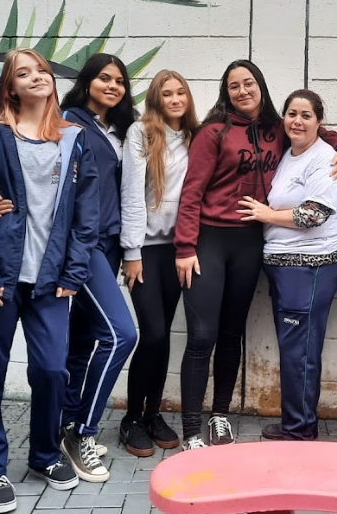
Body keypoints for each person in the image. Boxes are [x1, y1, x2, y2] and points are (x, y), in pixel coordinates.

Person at [173, 60, 337, 450]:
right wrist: (185, 246)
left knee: (231, 332)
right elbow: (191, 192)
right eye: (234, 85)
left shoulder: (277, 127)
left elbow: (316, 130)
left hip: (251, 243)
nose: (242, 91)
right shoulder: (212, 131)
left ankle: (220, 416)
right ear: (226, 91)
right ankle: (191, 428)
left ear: (260, 86)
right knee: (202, 334)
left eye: (249, 83)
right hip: (210, 238)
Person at [0, 48, 99, 513]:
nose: (36, 76)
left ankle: (42, 455)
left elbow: (86, 216)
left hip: (51, 280)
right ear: (9, 88)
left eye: (41, 69)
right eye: (24, 72)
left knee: (53, 369)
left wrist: (74, 272)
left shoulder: (75, 139)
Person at [0, 53, 138, 481]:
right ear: (87, 82)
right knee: (120, 334)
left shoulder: (119, 130)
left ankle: (58, 426)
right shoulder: (68, 124)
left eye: (119, 81)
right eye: (103, 78)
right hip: (83, 245)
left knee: (79, 342)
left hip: (110, 243)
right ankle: (82, 431)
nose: (112, 86)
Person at [237, 89, 337, 441]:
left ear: (319, 121)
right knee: (292, 348)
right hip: (285, 266)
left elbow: (314, 213)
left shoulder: (325, 158)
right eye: (291, 114)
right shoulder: (289, 154)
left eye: (305, 115)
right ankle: (295, 422)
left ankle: (300, 429)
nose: (297, 121)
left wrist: (268, 214)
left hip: (310, 266)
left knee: (300, 349)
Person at [119, 70, 199, 456]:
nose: (174, 98)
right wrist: (131, 252)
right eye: (166, 93)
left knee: (164, 334)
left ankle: (153, 413)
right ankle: (131, 417)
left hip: (179, 250)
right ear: (156, 98)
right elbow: (131, 194)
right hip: (146, 250)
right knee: (150, 334)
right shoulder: (141, 133)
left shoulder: (194, 136)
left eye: (180, 92)